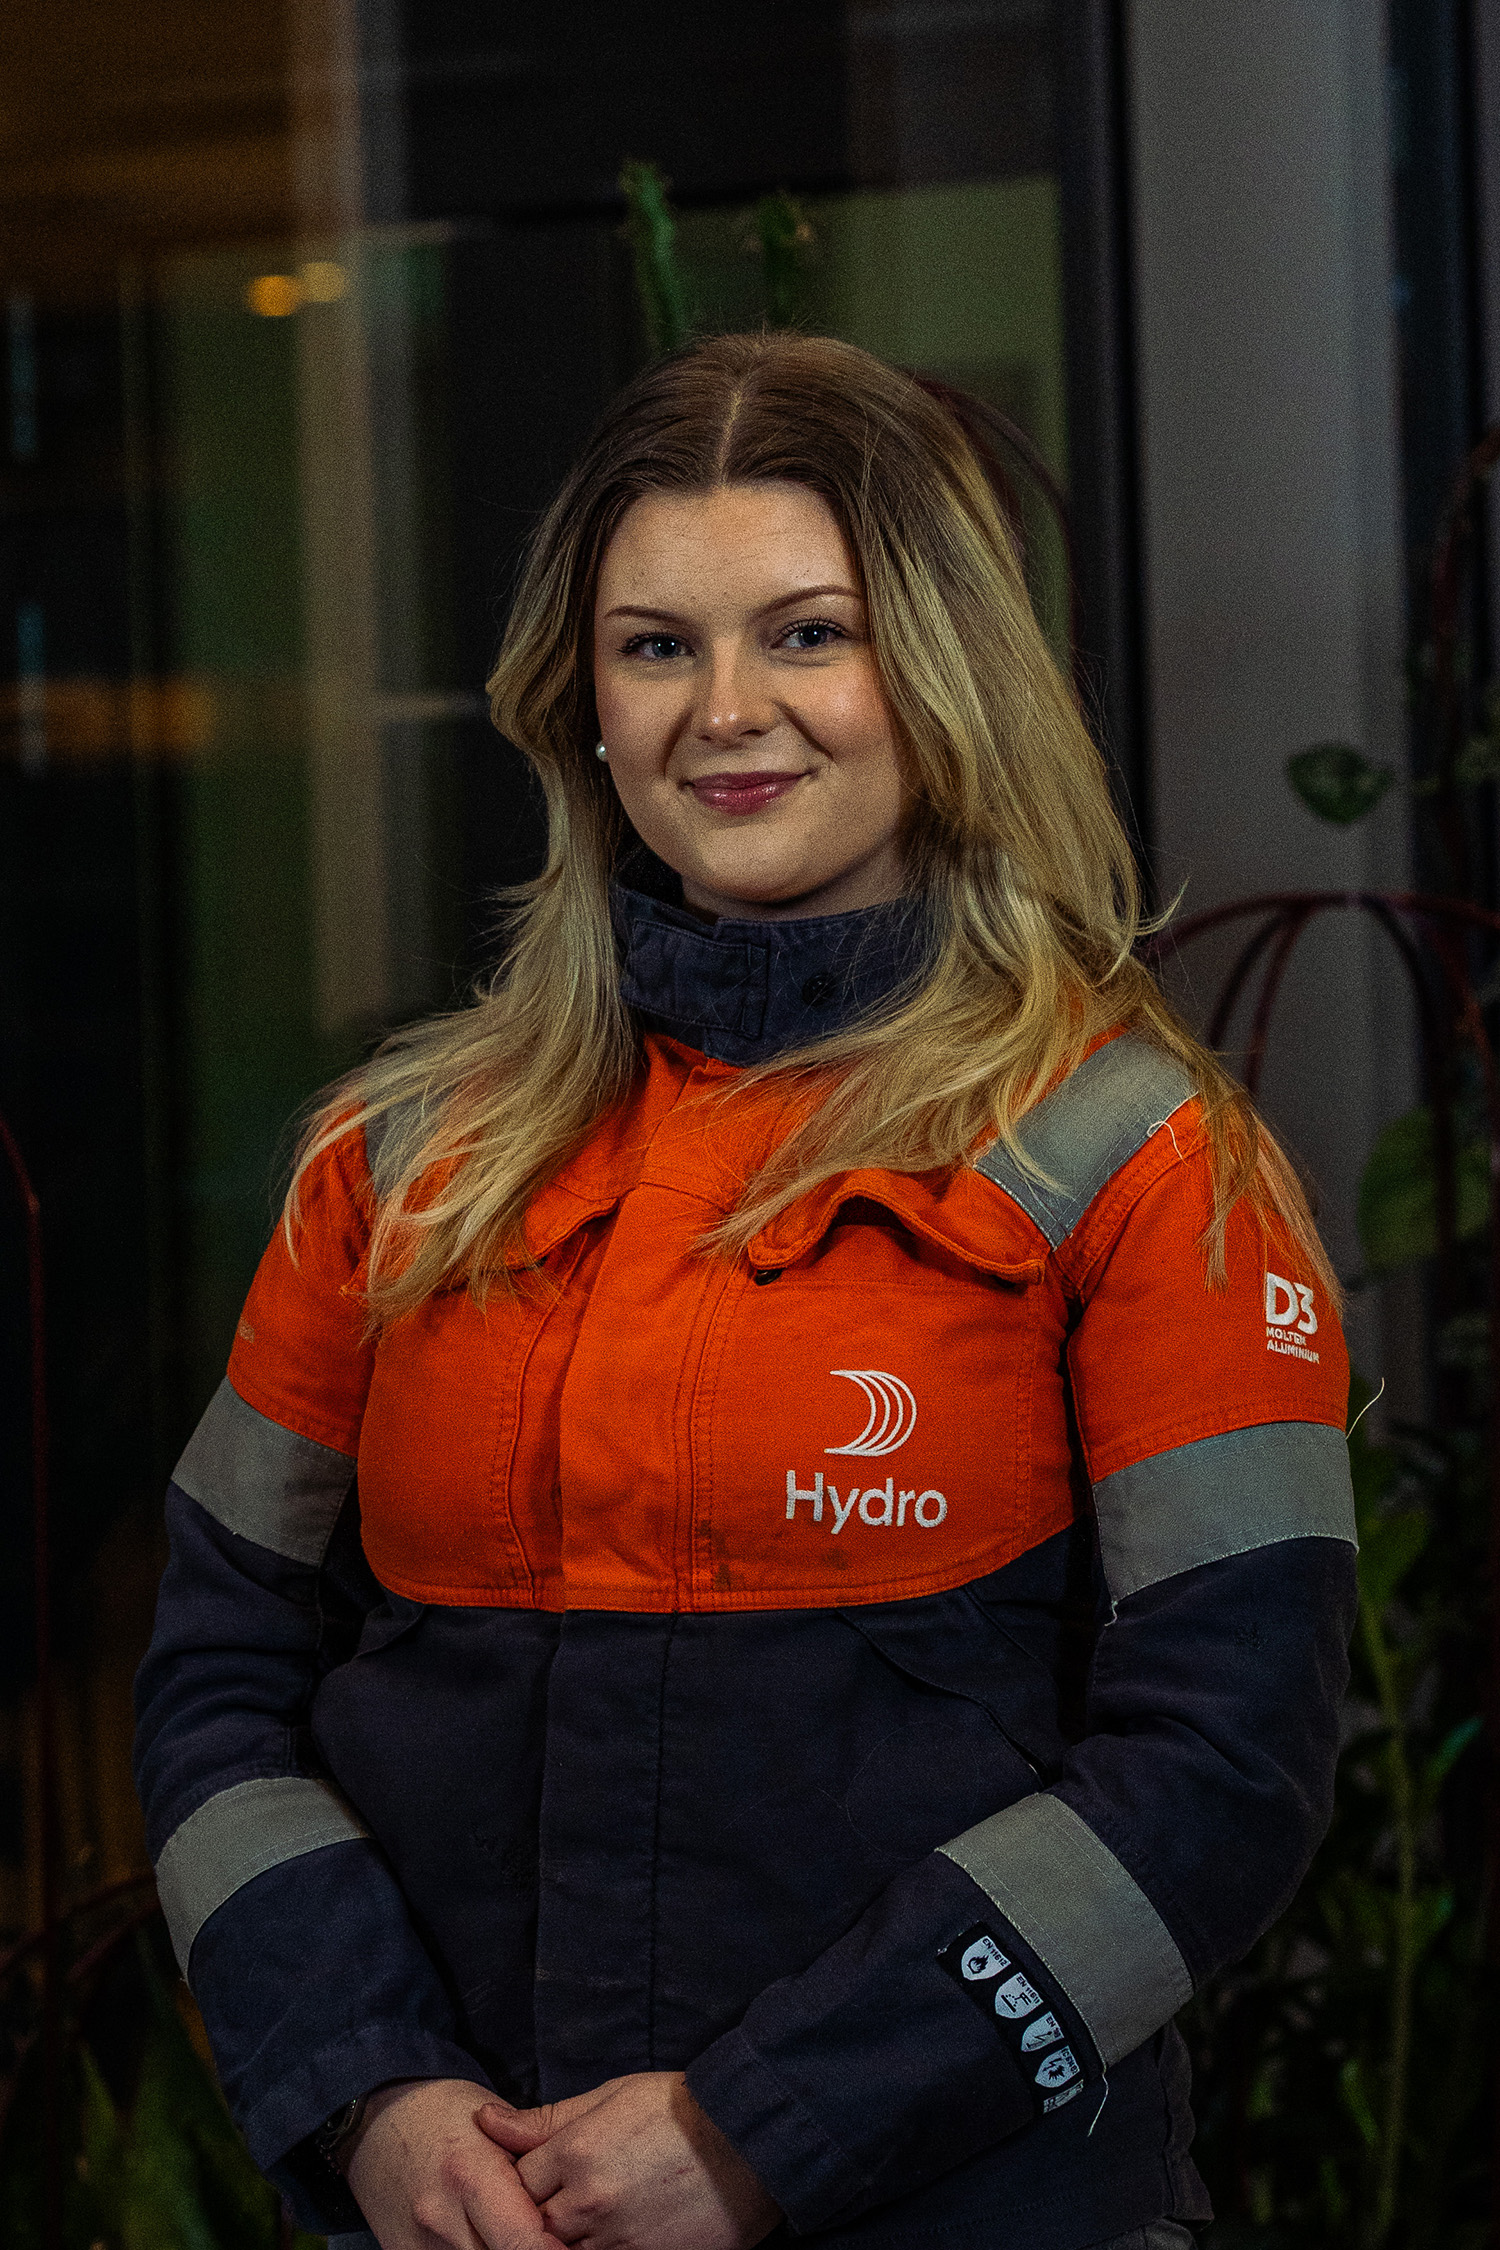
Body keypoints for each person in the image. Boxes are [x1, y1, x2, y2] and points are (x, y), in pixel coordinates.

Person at [133, 332, 1357, 2250]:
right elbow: (215, 1683)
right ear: (582, 705)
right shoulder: (397, 1167)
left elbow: (1230, 1764)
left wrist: (763, 2128)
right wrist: (368, 2093)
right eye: (654, 645)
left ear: (937, 672)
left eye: (806, 633)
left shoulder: (1144, 1163)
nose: (726, 711)